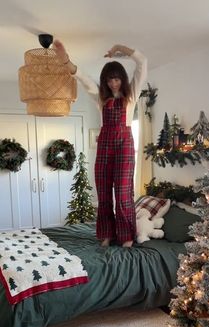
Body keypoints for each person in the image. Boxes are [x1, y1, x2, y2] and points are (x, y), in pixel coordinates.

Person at [53, 40, 147, 247]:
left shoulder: (131, 96)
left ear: (122, 79)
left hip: (124, 148)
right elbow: (82, 77)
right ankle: (107, 234)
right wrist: (65, 60)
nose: (113, 83)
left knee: (122, 194)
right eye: (109, 80)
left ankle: (126, 236)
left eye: (116, 79)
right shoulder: (100, 98)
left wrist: (122, 48)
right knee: (103, 193)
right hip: (104, 148)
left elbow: (142, 62)